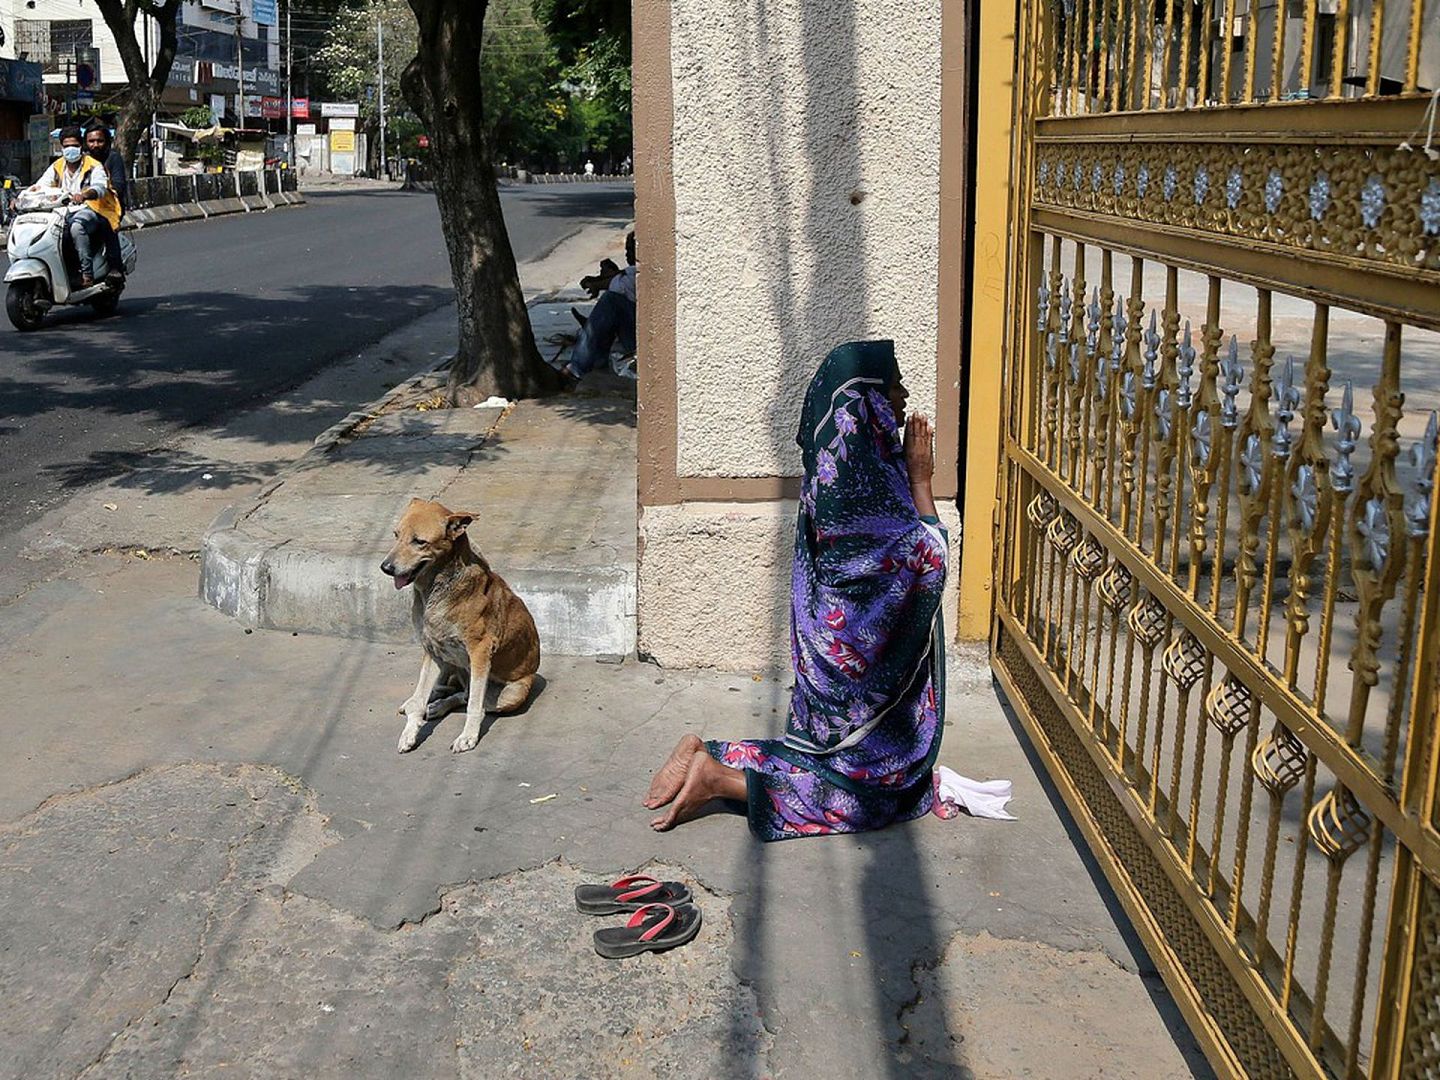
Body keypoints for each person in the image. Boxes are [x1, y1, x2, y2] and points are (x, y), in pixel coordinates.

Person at [644, 340, 948, 837]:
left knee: (817, 757)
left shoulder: (845, 462)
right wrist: (921, 480)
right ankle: (723, 778)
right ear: (867, 400)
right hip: (856, 677)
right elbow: (927, 559)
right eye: (893, 386)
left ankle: (710, 751)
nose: (904, 395)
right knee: (876, 796)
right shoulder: (874, 480)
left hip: (824, 656)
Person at [27, 127, 121, 288]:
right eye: (66, 146)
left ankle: (87, 274)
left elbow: (100, 187)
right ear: (62, 147)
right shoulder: (57, 166)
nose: (70, 149)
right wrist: (24, 196)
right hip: (62, 212)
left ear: (80, 146)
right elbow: (41, 185)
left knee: (77, 227)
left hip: (92, 209)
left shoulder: (94, 165)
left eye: (74, 145)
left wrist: (85, 195)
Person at [562, 230, 637, 381]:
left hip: (637, 339)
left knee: (611, 301)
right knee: (611, 308)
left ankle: (576, 368)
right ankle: (595, 350)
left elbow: (620, 284)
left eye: (630, 250)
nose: (627, 255)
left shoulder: (639, 274)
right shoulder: (633, 272)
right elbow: (621, 276)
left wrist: (596, 283)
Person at [85, 119, 127, 282]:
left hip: (109, 206)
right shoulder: (83, 161)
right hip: (83, 206)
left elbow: (118, 184)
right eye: (91, 141)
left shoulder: (113, 158)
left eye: (99, 141)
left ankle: (115, 266)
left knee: (105, 223)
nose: (95, 145)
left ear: (107, 142)